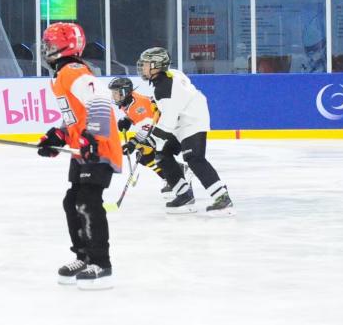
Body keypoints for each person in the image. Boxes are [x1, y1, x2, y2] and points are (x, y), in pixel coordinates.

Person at [37, 22, 122, 290]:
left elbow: (100, 100)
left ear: (67, 46)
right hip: (83, 150)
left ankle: (101, 264)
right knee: (72, 201)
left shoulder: (74, 71)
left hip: (100, 148)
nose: (45, 49)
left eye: (50, 44)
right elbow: (75, 116)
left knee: (87, 202)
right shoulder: (61, 75)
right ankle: (83, 257)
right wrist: (59, 136)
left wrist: (92, 137)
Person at [137, 47, 234, 216]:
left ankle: (222, 198)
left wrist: (151, 140)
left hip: (192, 121)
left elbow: (168, 120)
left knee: (194, 158)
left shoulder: (164, 87)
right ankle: (184, 195)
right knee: (162, 155)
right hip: (181, 121)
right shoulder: (171, 75)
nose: (142, 67)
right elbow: (171, 106)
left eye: (145, 64)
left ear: (156, 65)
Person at [108, 77, 176, 189]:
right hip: (158, 129)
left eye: (115, 93)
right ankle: (172, 177)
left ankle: (176, 176)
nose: (113, 96)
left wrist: (133, 142)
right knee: (146, 158)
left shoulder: (139, 104)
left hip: (165, 130)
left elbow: (149, 125)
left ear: (124, 92)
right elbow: (140, 117)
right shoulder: (127, 101)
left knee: (149, 156)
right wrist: (127, 119)